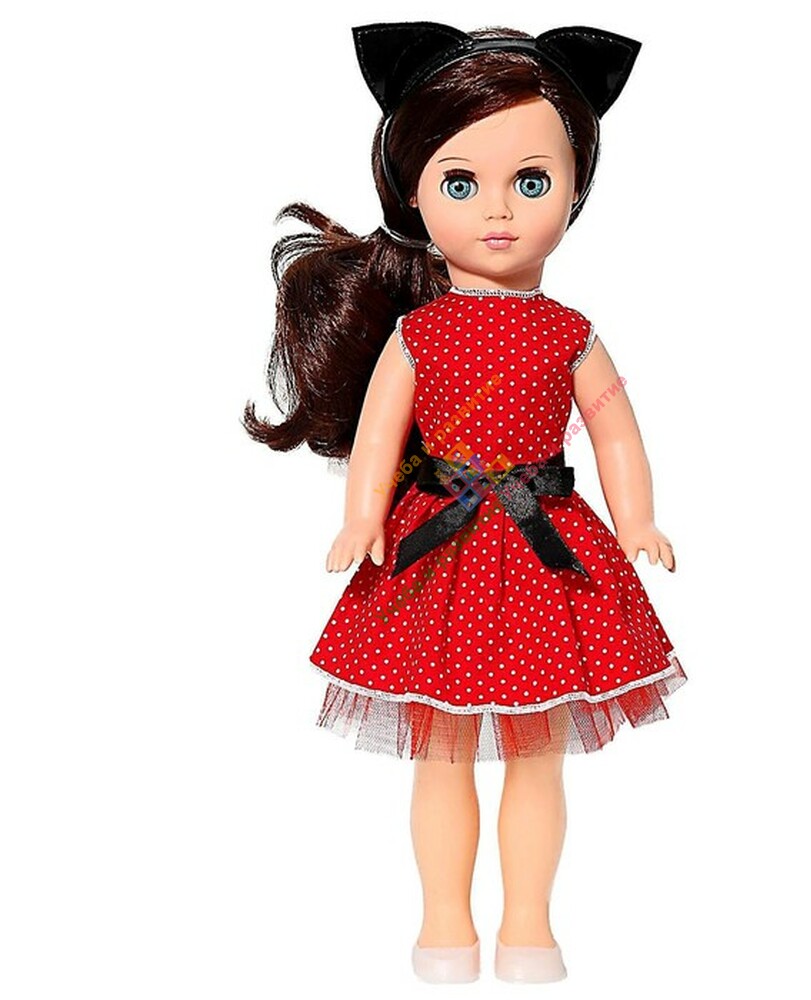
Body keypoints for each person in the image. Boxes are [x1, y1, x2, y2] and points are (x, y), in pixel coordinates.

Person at [243, 20, 688, 985]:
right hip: (435, 556)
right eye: (460, 183)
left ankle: (528, 925)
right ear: (413, 191)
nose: (497, 211)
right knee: (440, 752)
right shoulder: (419, 334)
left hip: (545, 554)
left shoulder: (571, 333)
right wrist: (361, 515)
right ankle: (444, 924)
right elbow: (379, 436)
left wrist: (637, 518)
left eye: (531, 181)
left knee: (539, 755)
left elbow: (615, 433)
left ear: (575, 189)